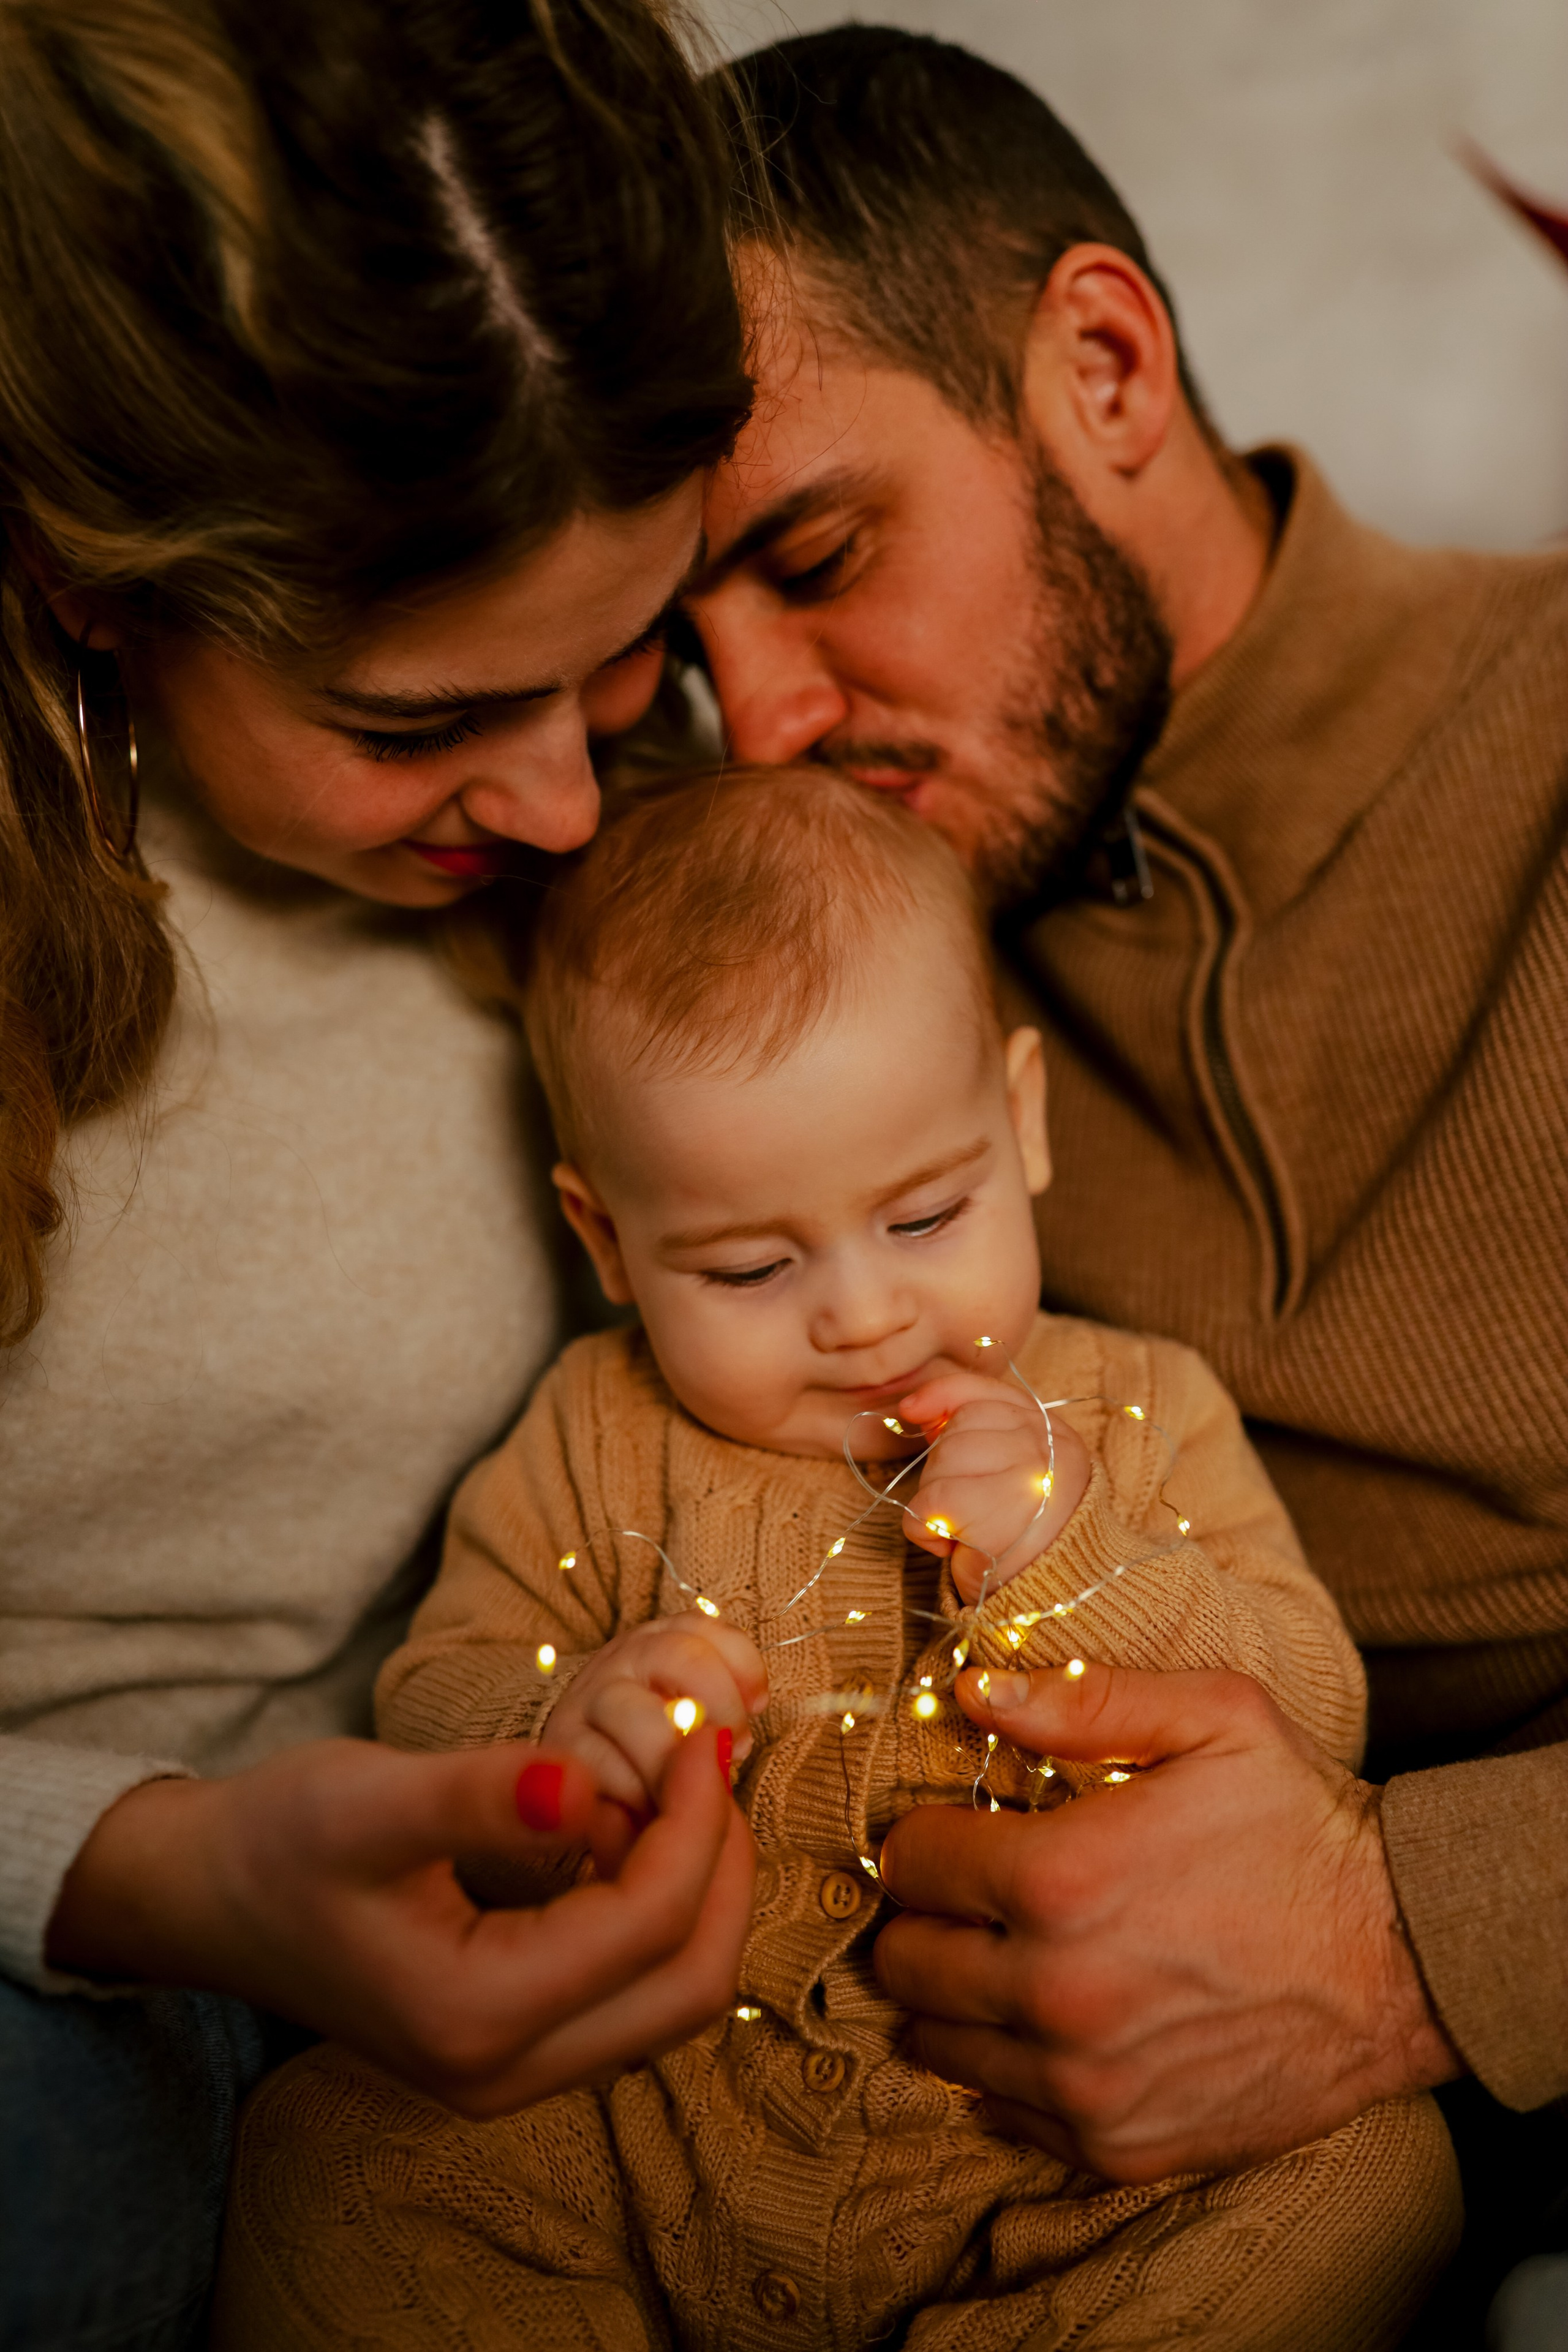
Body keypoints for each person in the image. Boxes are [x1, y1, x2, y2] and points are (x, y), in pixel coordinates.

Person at [685, 23, 1568, 2340]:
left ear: (1102, 364)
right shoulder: (805, 971)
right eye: (680, 657)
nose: (761, 724)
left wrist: (1416, 1932)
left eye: (815, 556)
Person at [215, 767, 1457, 2352]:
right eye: (748, 1264)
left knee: (1374, 2181)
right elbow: (435, 1698)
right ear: (605, 1243)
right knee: (331, 2156)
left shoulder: (1138, 1411)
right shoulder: (598, 1432)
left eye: (929, 1218)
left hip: (1057, 2146)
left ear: (1021, 1124)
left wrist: (1072, 1551)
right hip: (650, 2117)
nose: (863, 1316)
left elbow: (1314, 1715)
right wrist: (564, 1734)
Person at [0, 4, 756, 2345]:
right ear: (97, 578)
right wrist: (154, 1868)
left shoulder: (668, 785)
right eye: (415, 723)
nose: (553, 804)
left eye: (627, 651)